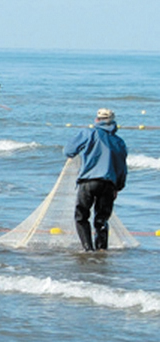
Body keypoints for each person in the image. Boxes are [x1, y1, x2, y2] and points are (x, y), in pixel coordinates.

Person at [64, 108, 127, 251]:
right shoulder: (119, 142)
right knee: (101, 220)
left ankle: (88, 250)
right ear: (113, 121)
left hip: (88, 182)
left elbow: (68, 151)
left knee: (81, 217)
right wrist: (118, 187)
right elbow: (122, 168)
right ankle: (101, 251)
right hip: (109, 184)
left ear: (97, 120)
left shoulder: (89, 133)